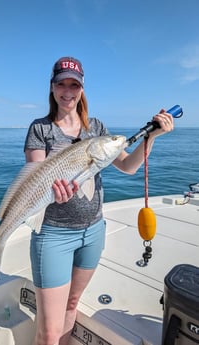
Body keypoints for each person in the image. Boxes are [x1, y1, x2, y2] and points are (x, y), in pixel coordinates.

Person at [24, 56, 174, 345]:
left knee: (72, 304)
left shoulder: (96, 128)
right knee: (49, 332)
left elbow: (128, 166)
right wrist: (54, 191)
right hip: (53, 234)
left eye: (74, 85)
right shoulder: (40, 129)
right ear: (52, 87)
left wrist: (151, 137)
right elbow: (36, 180)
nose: (68, 91)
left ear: (82, 89)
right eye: (61, 84)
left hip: (93, 231)